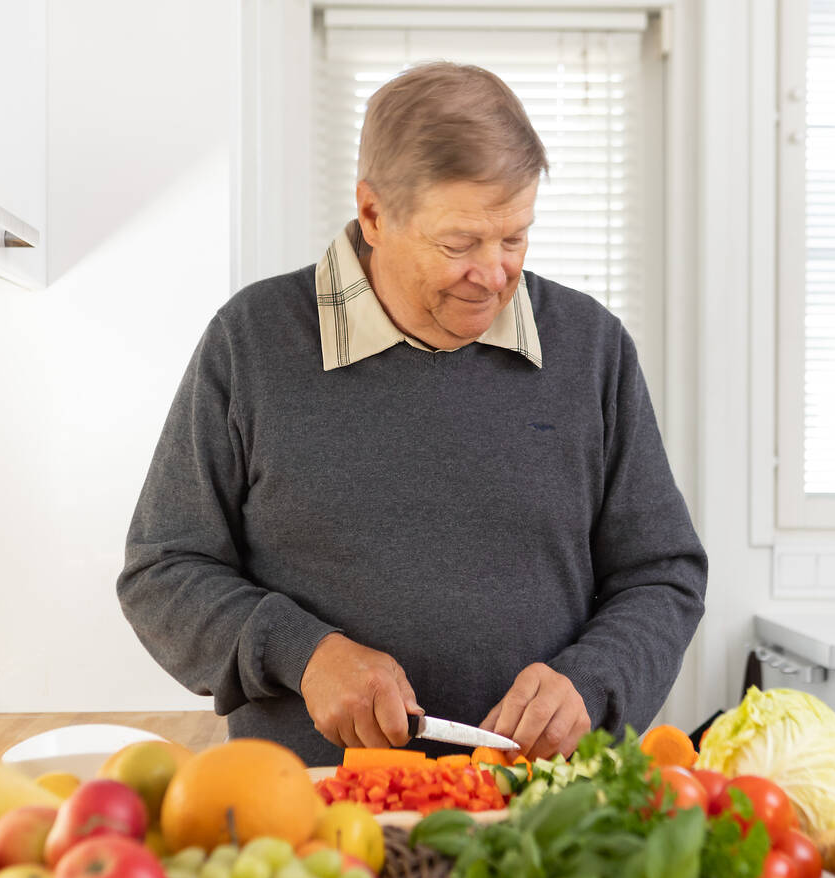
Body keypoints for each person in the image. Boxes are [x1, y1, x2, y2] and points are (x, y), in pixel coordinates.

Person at [118, 62, 706, 767]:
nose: (493, 274)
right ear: (374, 215)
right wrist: (304, 654)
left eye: (514, 238)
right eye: (459, 244)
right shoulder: (251, 342)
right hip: (314, 816)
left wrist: (593, 681)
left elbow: (663, 573)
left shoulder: (592, 348)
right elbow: (162, 569)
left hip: (541, 820)